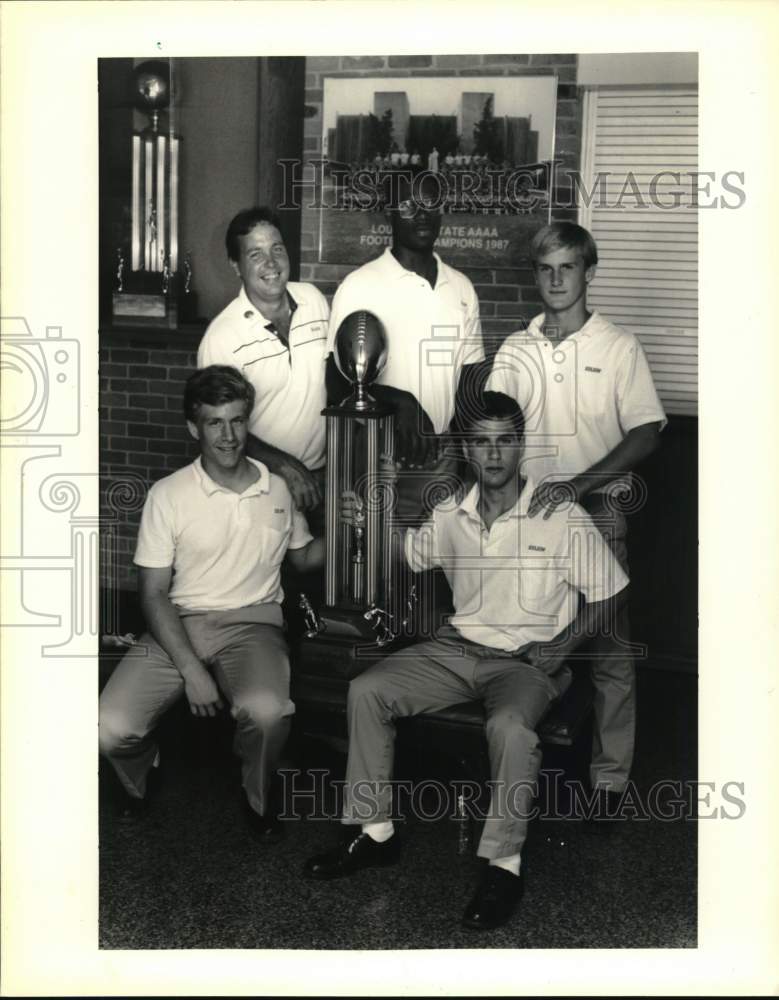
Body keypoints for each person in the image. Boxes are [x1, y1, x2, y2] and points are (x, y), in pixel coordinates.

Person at [304, 392, 628, 930]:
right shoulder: (450, 512)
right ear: (467, 449)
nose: (495, 454)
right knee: (368, 690)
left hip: (525, 663)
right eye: (482, 442)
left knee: (510, 728)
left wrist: (560, 648)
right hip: (456, 649)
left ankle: (504, 865)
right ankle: (374, 831)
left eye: (505, 441)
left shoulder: (560, 513)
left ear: (521, 446)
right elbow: (409, 554)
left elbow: (611, 593)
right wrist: (363, 522)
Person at [486, 221, 666, 816]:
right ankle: (520, 775)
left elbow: (646, 432)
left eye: (568, 266)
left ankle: (609, 783)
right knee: (528, 636)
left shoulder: (619, 346)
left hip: (600, 510)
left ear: (590, 272)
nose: (557, 279)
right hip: (533, 516)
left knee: (609, 648)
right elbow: (494, 429)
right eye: (546, 268)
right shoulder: (516, 349)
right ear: (535, 275)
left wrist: (581, 487)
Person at [99, 366, 324, 840]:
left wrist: (352, 529)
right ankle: (142, 773)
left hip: (254, 625)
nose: (228, 435)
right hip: (178, 622)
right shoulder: (168, 495)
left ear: (249, 421)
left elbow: (303, 559)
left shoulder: (277, 488)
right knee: (109, 727)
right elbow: (153, 593)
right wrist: (192, 671)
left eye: (237, 420)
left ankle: (258, 796)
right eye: (215, 423)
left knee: (268, 713)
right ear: (193, 428)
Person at [326, 169, 485, 485]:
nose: (422, 214)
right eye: (409, 205)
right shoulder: (359, 286)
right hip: (378, 455)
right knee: (379, 536)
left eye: (430, 203)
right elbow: (336, 385)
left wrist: (470, 459)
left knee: (441, 537)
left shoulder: (461, 288)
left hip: (443, 457)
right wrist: (400, 402)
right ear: (389, 213)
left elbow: (469, 384)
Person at [197, 207, 330, 525]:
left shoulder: (313, 300)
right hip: (258, 486)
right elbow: (217, 429)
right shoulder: (222, 338)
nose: (271, 263)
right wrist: (284, 466)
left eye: (277, 249)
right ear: (236, 266)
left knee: (320, 569)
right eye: (256, 254)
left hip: (320, 481)